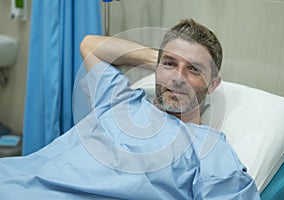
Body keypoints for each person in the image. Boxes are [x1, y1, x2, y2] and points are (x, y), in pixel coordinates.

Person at [0, 19, 260, 199]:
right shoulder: (121, 99)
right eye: (170, 64)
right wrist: (159, 60)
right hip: (14, 178)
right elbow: (90, 45)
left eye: (194, 69)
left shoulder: (209, 150)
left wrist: (169, 63)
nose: (178, 78)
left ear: (213, 84)